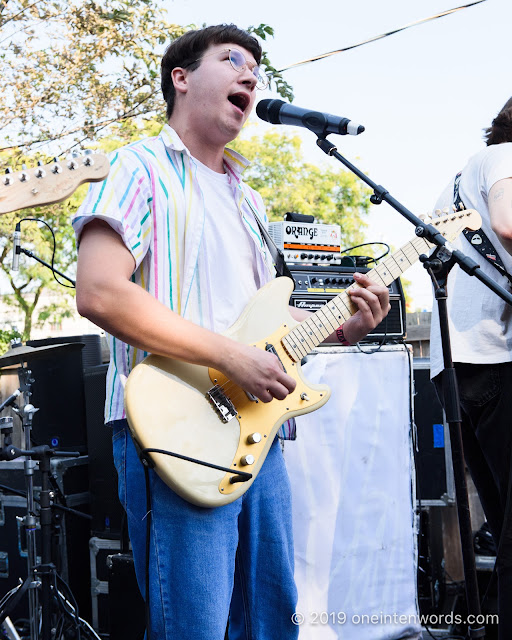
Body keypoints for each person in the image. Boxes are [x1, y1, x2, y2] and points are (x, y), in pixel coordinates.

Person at [73, 24, 390, 639]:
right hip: (175, 428)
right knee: (193, 626)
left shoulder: (248, 200)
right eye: (233, 60)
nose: (250, 77)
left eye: (256, 70)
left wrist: (342, 328)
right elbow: (101, 291)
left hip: (255, 431)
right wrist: (232, 356)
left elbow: (262, 325)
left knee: (271, 621)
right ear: (181, 78)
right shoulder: (139, 167)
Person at [430, 97, 512, 640]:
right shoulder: (506, 157)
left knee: (505, 521)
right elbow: (509, 224)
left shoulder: (463, 176)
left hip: (457, 365)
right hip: (494, 358)